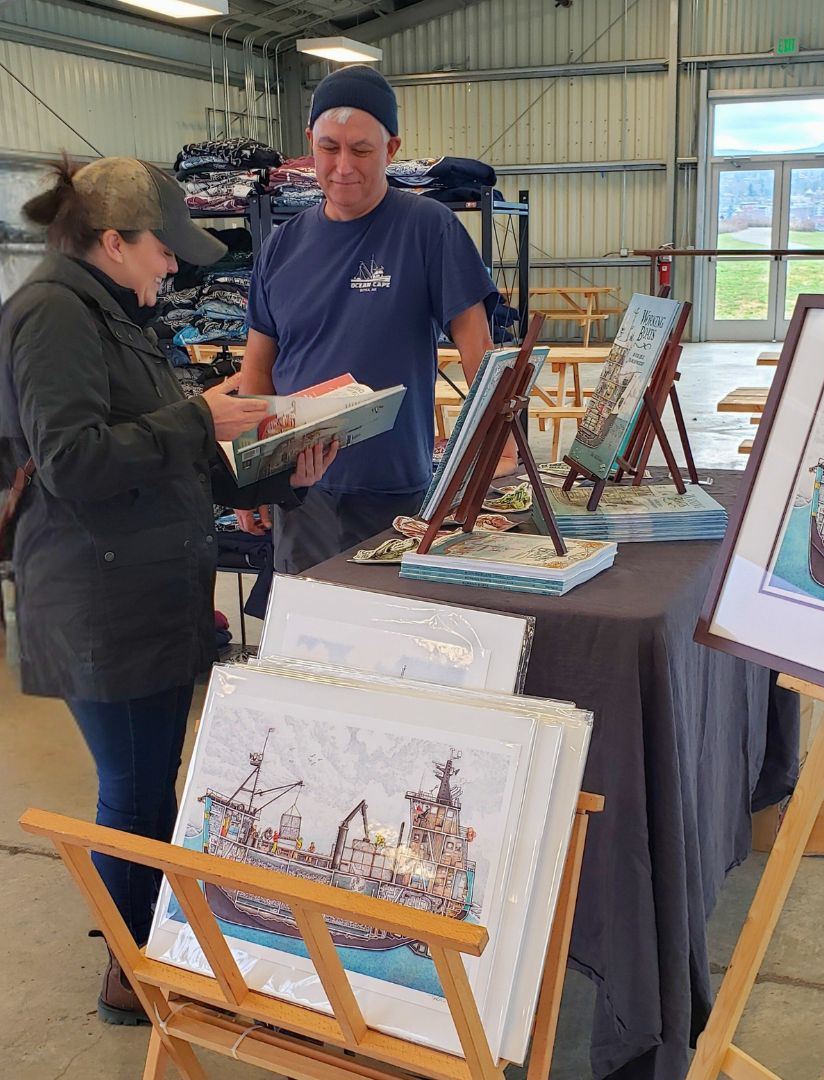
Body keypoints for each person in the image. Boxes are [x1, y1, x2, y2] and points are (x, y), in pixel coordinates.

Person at [0, 155, 337, 1026]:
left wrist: (280, 477)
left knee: (153, 785)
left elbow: (168, 464)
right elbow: (74, 462)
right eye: (163, 250)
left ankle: (147, 952)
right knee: (135, 790)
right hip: (99, 603)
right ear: (112, 242)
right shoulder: (52, 317)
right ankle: (131, 970)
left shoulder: (108, 314)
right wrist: (197, 417)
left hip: (138, 594)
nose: (175, 267)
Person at [237, 64, 503, 572]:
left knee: (393, 638)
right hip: (299, 489)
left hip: (393, 491)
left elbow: (478, 349)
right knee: (309, 639)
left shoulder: (429, 228)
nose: (343, 166)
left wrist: (496, 451)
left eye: (361, 150)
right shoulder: (282, 245)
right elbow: (257, 370)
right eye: (328, 147)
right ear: (310, 142)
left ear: (392, 149)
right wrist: (252, 476)